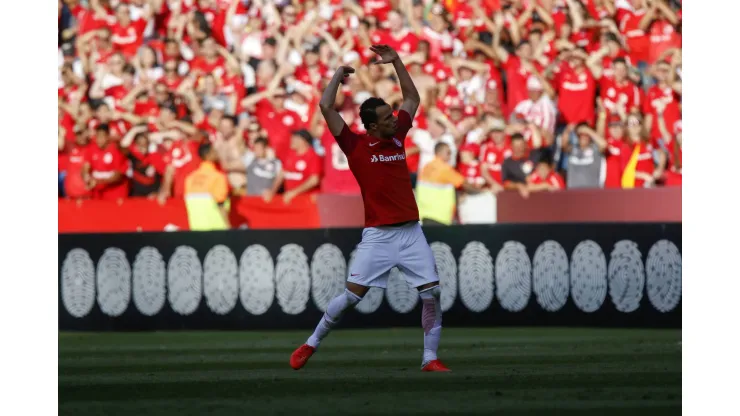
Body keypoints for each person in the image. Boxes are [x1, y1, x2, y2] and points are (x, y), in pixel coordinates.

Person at [291, 45, 449, 373]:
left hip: (409, 232)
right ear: (373, 127)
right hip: (378, 236)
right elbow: (325, 106)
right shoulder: (355, 147)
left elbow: (412, 99)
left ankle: (429, 359)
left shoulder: (397, 137)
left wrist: (397, 62)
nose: (395, 119)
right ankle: (311, 343)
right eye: (388, 119)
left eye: (393, 116)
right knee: (350, 297)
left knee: (431, 293)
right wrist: (336, 76)